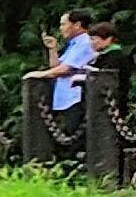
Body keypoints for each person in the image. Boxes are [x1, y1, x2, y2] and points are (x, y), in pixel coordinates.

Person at [31, 12, 108, 162]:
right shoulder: (73, 44)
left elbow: (66, 69)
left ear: (77, 25)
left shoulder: (85, 43)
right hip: (65, 98)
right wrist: (53, 49)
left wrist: (40, 75)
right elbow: (56, 65)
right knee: (65, 139)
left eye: (64, 24)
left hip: (76, 97)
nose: (61, 28)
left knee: (75, 139)